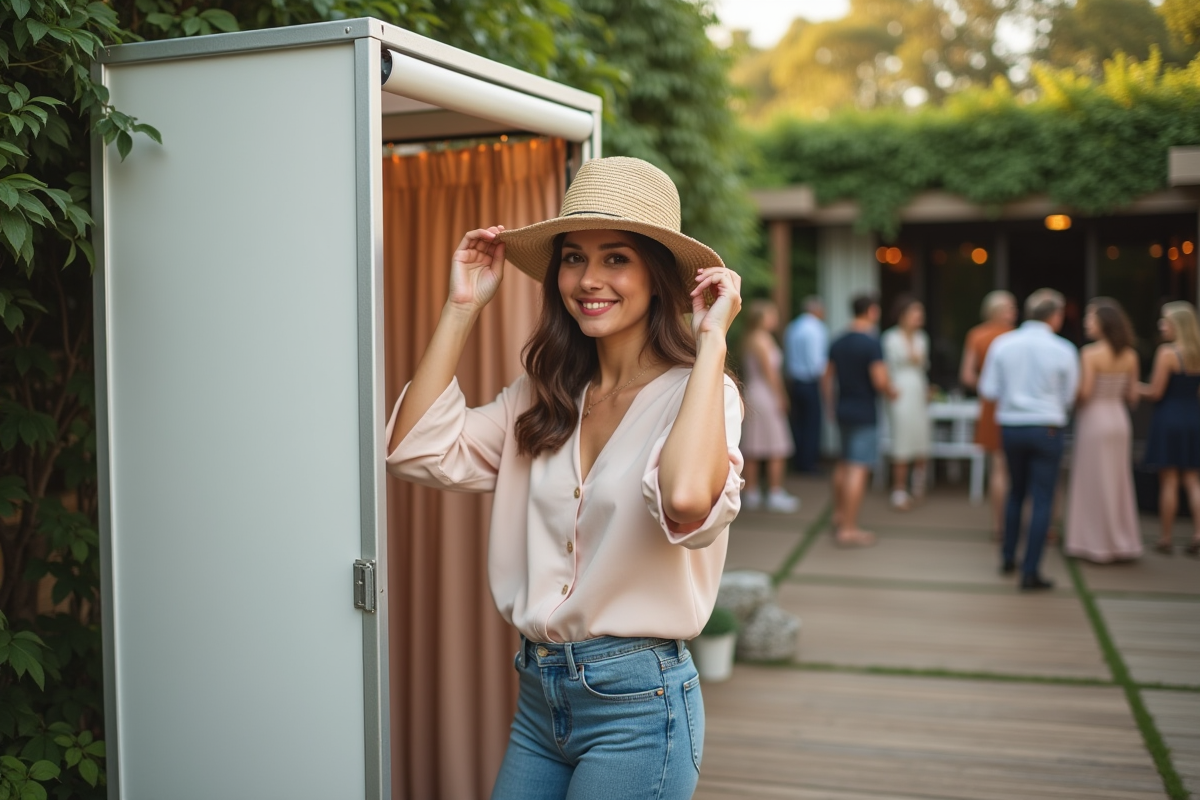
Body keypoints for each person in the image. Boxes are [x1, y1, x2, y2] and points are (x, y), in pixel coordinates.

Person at [384, 157, 745, 799]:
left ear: (658, 277)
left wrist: (711, 343)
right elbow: (415, 449)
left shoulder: (702, 397)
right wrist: (461, 307)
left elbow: (689, 502)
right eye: (573, 258)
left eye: (615, 259)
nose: (587, 279)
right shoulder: (541, 395)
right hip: (539, 698)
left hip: (640, 705)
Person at [978, 288, 1079, 590]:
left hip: (1011, 426)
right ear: (1055, 316)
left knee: (1015, 493)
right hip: (1047, 426)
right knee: (1043, 499)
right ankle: (1030, 570)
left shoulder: (1004, 344)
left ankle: (1008, 555)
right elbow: (1070, 395)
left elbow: (988, 390)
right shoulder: (1063, 349)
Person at [1065, 299, 1142, 562]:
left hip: (1094, 421)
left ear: (1103, 324)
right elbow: (1132, 396)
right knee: (1118, 481)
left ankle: (1093, 544)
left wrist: (1068, 395)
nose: (1087, 323)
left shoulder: (1089, 353)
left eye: (1090, 318)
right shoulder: (1130, 355)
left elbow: (1085, 393)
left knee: (1093, 480)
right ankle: (1120, 542)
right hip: (1119, 420)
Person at [822, 293, 896, 547]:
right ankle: (849, 528)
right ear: (872, 311)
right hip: (864, 410)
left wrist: (830, 405)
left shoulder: (838, 340)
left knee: (843, 463)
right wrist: (891, 390)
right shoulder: (871, 342)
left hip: (843, 408)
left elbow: (826, 377)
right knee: (858, 467)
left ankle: (839, 515)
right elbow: (879, 380)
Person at [1139, 301, 1200, 557]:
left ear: (1177, 324)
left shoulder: (1167, 353)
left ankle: (1166, 537)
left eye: (1165, 321)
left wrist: (1131, 385)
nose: (1161, 326)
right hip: (1193, 418)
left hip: (1169, 418)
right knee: (1193, 480)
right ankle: (1198, 534)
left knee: (1169, 481)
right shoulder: (1197, 352)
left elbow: (1155, 391)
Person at [960, 290, 1018, 539]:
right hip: (1015, 404)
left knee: (998, 466)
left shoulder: (976, 335)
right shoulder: (1015, 337)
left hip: (991, 403)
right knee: (1016, 468)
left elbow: (967, 375)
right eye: (1010, 308)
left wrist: (987, 387)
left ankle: (999, 526)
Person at [741, 300, 801, 512]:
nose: (775, 319)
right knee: (777, 445)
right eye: (771, 315)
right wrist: (781, 396)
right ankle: (775, 492)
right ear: (761, 318)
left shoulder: (750, 339)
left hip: (753, 392)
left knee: (753, 445)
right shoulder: (762, 340)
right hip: (765, 394)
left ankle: (752, 493)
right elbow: (770, 373)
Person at [881, 295, 932, 510]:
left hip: (918, 389)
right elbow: (885, 367)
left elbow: (922, 365)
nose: (919, 317)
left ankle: (918, 484)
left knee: (921, 437)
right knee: (902, 439)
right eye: (915, 312)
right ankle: (899, 489)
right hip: (899, 390)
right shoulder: (891, 338)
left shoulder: (922, 337)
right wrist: (888, 388)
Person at [784, 296, 828, 473]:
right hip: (810, 382)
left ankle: (798, 461)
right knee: (811, 424)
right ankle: (809, 464)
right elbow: (817, 363)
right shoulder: (817, 328)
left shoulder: (793, 326)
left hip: (795, 382)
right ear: (816, 310)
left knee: (799, 423)